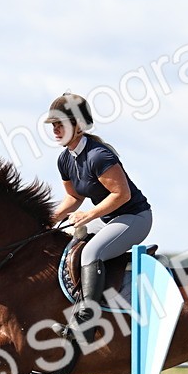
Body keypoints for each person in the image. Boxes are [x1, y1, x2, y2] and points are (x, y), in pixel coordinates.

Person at [46, 92, 152, 341]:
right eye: (53, 125)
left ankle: (86, 320)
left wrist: (89, 215)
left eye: (60, 123)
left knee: (91, 253)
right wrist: (47, 219)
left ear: (79, 125)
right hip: (107, 219)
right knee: (66, 247)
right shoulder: (65, 159)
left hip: (134, 217)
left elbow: (121, 194)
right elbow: (73, 199)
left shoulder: (98, 155)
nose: (55, 129)